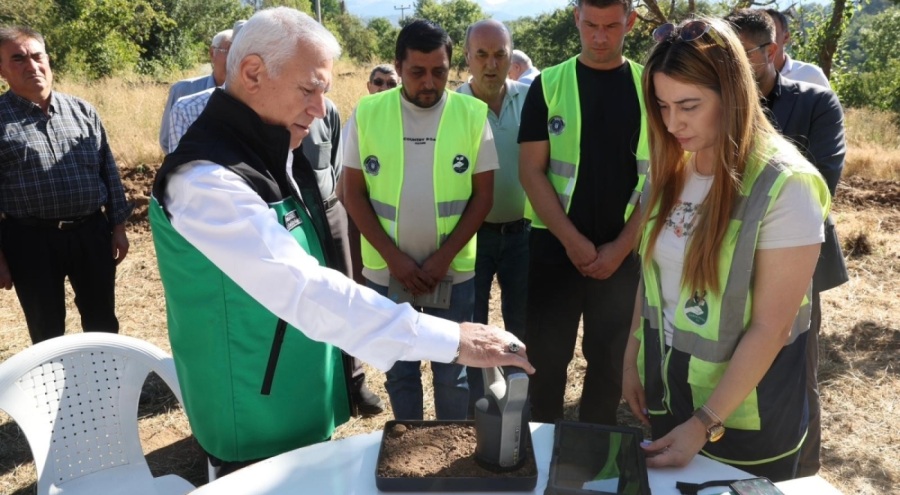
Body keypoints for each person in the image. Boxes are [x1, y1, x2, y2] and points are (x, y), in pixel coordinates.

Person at [149, 8, 531, 475]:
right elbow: (304, 288)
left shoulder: (268, 152)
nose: (319, 108)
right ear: (252, 73)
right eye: (309, 89)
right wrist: (455, 338)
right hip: (253, 418)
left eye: (323, 92)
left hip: (294, 400)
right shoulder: (206, 181)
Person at [621, 17, 831, 482]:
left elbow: (771, 328)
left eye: (689, 105)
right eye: (661, 105)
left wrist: (705, 421)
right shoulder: (668, 168)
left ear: (732, 93)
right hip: (668, 395)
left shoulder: (785, 186)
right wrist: (632, 355)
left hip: (745, 418)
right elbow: (651, 277)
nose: (673, 123)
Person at [343, 20, 498, 421]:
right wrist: (395, 260)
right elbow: (352, 194)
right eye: (417, 72)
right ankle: (408, 449)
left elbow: (483, 197)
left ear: (451, 67)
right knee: (400, 369)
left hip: (452, 273)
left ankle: (446, 450)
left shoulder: (472, 113)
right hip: (387, 271)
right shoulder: (367, 113)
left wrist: (442, 259)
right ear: (398, 67)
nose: (429, 83)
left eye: (439, 72)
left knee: (453, 371)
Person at [727, 9, 849, 477]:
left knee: (796, 368)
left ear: (772, 51)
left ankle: (800, 474)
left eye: (743, 55)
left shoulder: (816, 102)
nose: (733, 67)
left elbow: (818, 182)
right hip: (723, 255)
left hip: (792, 259)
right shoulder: (716, 102)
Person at [518, 0, 648, 425]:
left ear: (630, 21)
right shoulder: (548, 85)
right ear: (576, 17)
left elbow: (663, 177)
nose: (599, 37)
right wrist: (573, 241)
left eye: (611, 26)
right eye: (590, 25)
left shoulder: (650, 87)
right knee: (546, 356)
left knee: (609, 358)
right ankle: (543, 442)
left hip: (622, 251)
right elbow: (531, 171)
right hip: (555, 247)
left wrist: (621, 247)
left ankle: (596, 451)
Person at [0, 26, 132, 344]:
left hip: (91, 234)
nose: (31, 66)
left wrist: (117, 227)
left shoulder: (82, 111)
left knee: (102, 320)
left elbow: (108, 172)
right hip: (30, 241)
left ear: (48, 59)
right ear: (2, 70)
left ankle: (108, 389)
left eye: (36, 56)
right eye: (18, 59)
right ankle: (55, 392)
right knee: (47, 330)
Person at [457, 19, 530, 416]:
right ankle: (480, 411)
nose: (490, 63)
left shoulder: (532, 99)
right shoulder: (454, 107)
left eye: (499, 54)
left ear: (510, 56)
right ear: (467, 57)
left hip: (522, 236)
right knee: (473, 330)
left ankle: (521, 408)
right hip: (472, 238)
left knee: (521, 324)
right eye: (481, 54)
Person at [159, 28, 233, 153]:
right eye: (228, 51)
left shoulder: (251, 97)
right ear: (212, 53)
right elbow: (167, 141)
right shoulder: (183, 90)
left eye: (239, 53)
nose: (234, 59)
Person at [765, 9, 831, 88]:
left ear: (786, 37)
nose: (764, 41)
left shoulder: (812, 76)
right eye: (758, 36)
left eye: (771, 35)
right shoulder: (749, 78)